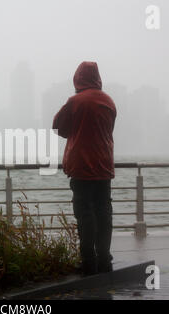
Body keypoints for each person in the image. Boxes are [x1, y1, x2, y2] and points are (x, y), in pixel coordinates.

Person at [52, 61, 117, 276]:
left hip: (81, 165)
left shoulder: (75, 101)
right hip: (104, 165)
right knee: (104, 211)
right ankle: (105, 261)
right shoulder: (109, 101)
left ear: (77, 78)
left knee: (85, 213)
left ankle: (88, 262)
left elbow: (58, 127)